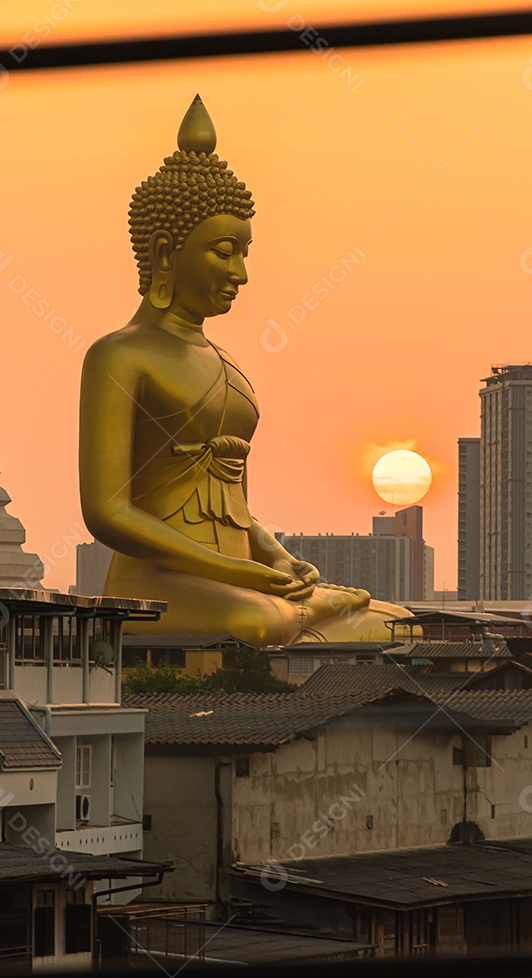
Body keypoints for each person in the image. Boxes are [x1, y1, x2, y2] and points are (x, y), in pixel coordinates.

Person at [79, 96, 408, 645]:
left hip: (244, 578)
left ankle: (306, 608)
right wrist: (233, 573)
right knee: (254, 621)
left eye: (245, 253)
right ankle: (304, 611)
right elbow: (107, 512)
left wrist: (278, 559)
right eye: (225, 252)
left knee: (401, 623)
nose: (242, 273)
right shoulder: (119, 355)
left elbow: (237, 508)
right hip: (158, 582)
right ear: (164, 252)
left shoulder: (225, 363)